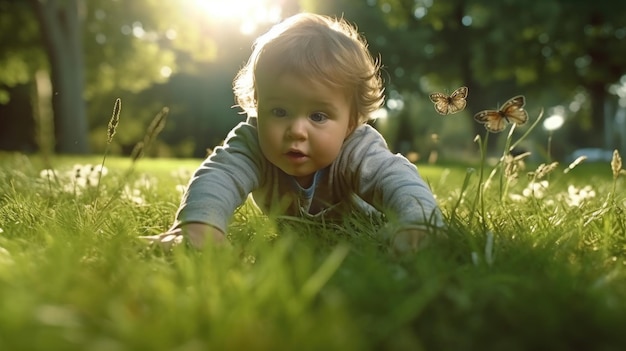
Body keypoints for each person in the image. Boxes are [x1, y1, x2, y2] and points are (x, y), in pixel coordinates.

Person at [142, 13, 445, 254]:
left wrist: (418, 222)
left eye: (318, 116)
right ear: (258, 105)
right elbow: (219, 176)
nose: (296, 131)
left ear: (351, 123)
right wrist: (198, 227)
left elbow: (396, 178)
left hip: (367, 228)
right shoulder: (252, 143)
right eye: (279, 111)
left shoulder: (358, 149)